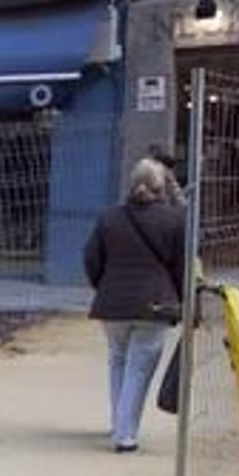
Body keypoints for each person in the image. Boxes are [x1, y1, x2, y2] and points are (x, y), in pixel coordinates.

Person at [84, 158, 187, 453]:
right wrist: (182, 301)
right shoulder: (176, 220)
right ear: (162, 187)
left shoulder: (108, 217)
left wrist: (103, 286)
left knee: (118, 359)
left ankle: (119, 423)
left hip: (112, 304)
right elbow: (181, 268)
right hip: (155, 305)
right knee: (139, 367)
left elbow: (91, 259)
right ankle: (125, 435)